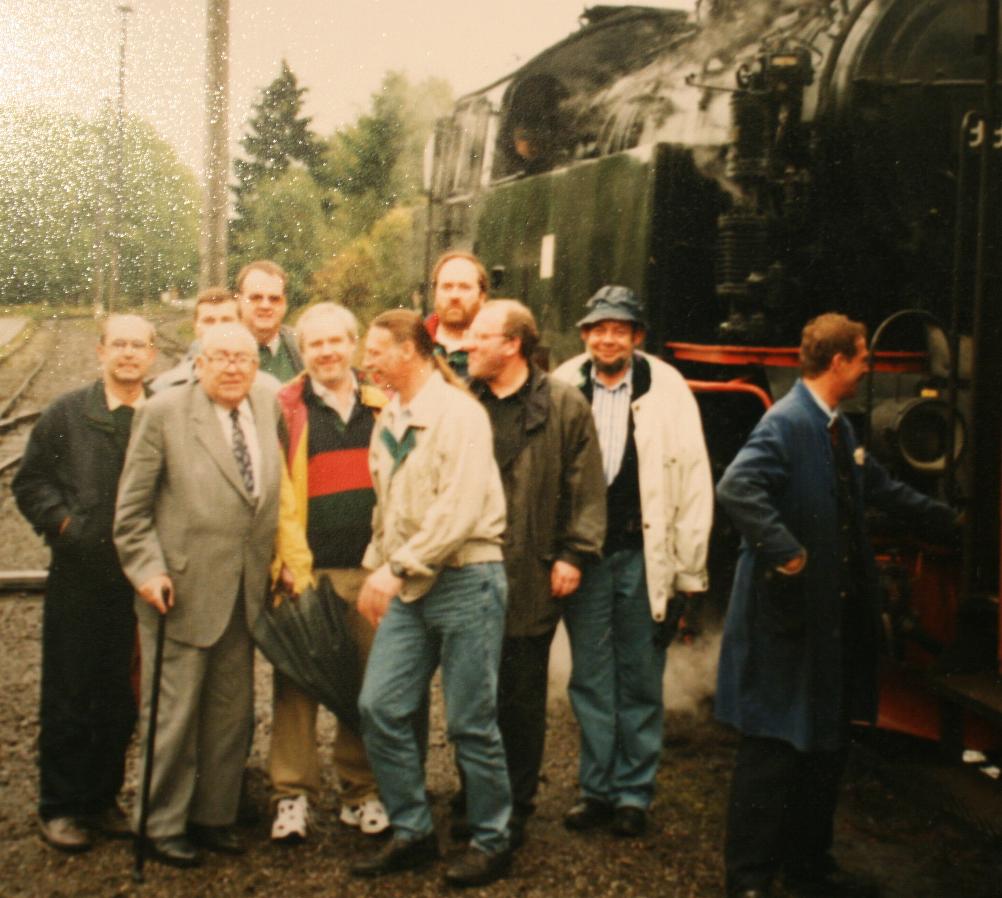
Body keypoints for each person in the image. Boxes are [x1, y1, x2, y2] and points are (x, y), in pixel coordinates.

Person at [716, 313, 958, 898]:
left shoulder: (834, 429)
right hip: (787, 616)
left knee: (823, 742)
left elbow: (875, 485)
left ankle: (808, 865)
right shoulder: (787, 423)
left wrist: (952, 522)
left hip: (826, 617)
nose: (867, 369)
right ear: (839, 363)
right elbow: (737, 489)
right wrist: (788, 553)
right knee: (772, 747)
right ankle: (747, 879)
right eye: (863, 359)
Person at [351, 309, 512, 888]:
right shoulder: (389, 415)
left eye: (375, 350)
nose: (366, 361)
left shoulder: (460, 415)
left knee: (471, 721)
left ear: (411, 353)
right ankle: (414, 831)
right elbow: (388, 504)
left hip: (467, 579)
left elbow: (459, 509)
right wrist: (379, 566)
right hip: (410, 584)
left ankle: (494, 840)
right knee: (381, 706)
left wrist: (394, 570)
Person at [114, 322, 283, 868]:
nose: (233, 367)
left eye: (243, 358)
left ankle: (213, 817)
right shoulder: (162, 413)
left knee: (231, 713)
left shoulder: (266, 401)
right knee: (173, 715)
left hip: (244, 587)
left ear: (256, 365)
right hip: (179, 590)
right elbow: (132, 513)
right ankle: (159, 823)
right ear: (199, 362)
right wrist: (147, 570)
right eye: (221, 357)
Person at [553, 285, 713, 837]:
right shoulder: (565, 385)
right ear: (585, 335)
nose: (608, 338)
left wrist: (690, 571)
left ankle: (634, 795)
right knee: (592, 679)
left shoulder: (668, 389)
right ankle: (596, 790)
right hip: (586, 556)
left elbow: (693, 481)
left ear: (637, 337)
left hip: (643, 556)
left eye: (619, 328)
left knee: (642, 676)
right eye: (598, 328)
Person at [464, 299, 606, 848]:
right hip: (469, 571)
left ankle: (516, 804)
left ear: (512, 345)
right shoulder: (465, 400)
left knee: (520, 697)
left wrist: (574, 553)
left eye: (481, 337)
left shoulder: (566, 405)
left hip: (531, 570)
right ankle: (475, 794)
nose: (468, 345)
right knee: (472, 693)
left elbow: (585, 484)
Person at [13, 314, 157, 853]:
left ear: (151, 355)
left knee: (120, 696)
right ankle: (61, 806)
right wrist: (67, 525)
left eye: (138, 345)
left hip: (138, 579)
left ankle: (102, 798)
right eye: (118, 344)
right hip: (80, 578)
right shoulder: (67, 414)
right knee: (72, 691)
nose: (128, 354)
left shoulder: (158, 412)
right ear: (101, 351)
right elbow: (31, 483)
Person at [268, 303, 389, 843]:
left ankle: (360, 793)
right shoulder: (285, 406)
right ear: (304, 348)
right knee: (296, 686)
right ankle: (291, 796)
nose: (326, 352)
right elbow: (277, 495)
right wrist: (292, 566)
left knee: (366, 686)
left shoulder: (382, 401)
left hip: (369, 571)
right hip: (305, 571)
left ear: (353, 343)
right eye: (315, 344)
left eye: (336, 341)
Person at [149, 287, 241, 393]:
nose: (217, 327)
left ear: (241, 324)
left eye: (226, 320)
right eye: (209, 321)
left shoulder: (260, 383)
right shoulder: (165, 386)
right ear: (195, 327)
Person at [235, 259, 303, 382]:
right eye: (256, 298)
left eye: (274, 299)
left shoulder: (302, 349)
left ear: (285, 304)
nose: (265, 306)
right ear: (239, 301)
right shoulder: (216, 349)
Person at [424, 250, 488, 380]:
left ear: (482, 296)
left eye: (464, 287)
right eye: (447, 287)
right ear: (435, 294)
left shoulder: (495, 352)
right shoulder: (415, 343)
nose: (454, 296)